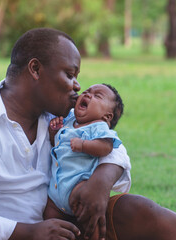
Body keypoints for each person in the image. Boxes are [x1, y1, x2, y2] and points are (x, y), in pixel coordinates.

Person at [0, 27, 176, 240]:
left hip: (67, 226)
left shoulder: (61, 114)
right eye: (69, 74)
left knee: (133, 208)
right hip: (14, 234)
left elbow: (113, 144)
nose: (77, 86)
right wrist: (30, 232)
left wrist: (101, 182)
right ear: (35, 69)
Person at [44, 83, 129, 240]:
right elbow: (56, 144)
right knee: (50, 217)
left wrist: (84, 145)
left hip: (79, 185)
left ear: (107, 116)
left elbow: (106, 147)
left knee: (89, 215)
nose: (88, 95)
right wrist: (53, 133)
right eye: (86, 92)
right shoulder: (69, 121)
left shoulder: (98, 127)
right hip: (55, 192)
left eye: (97, 96)